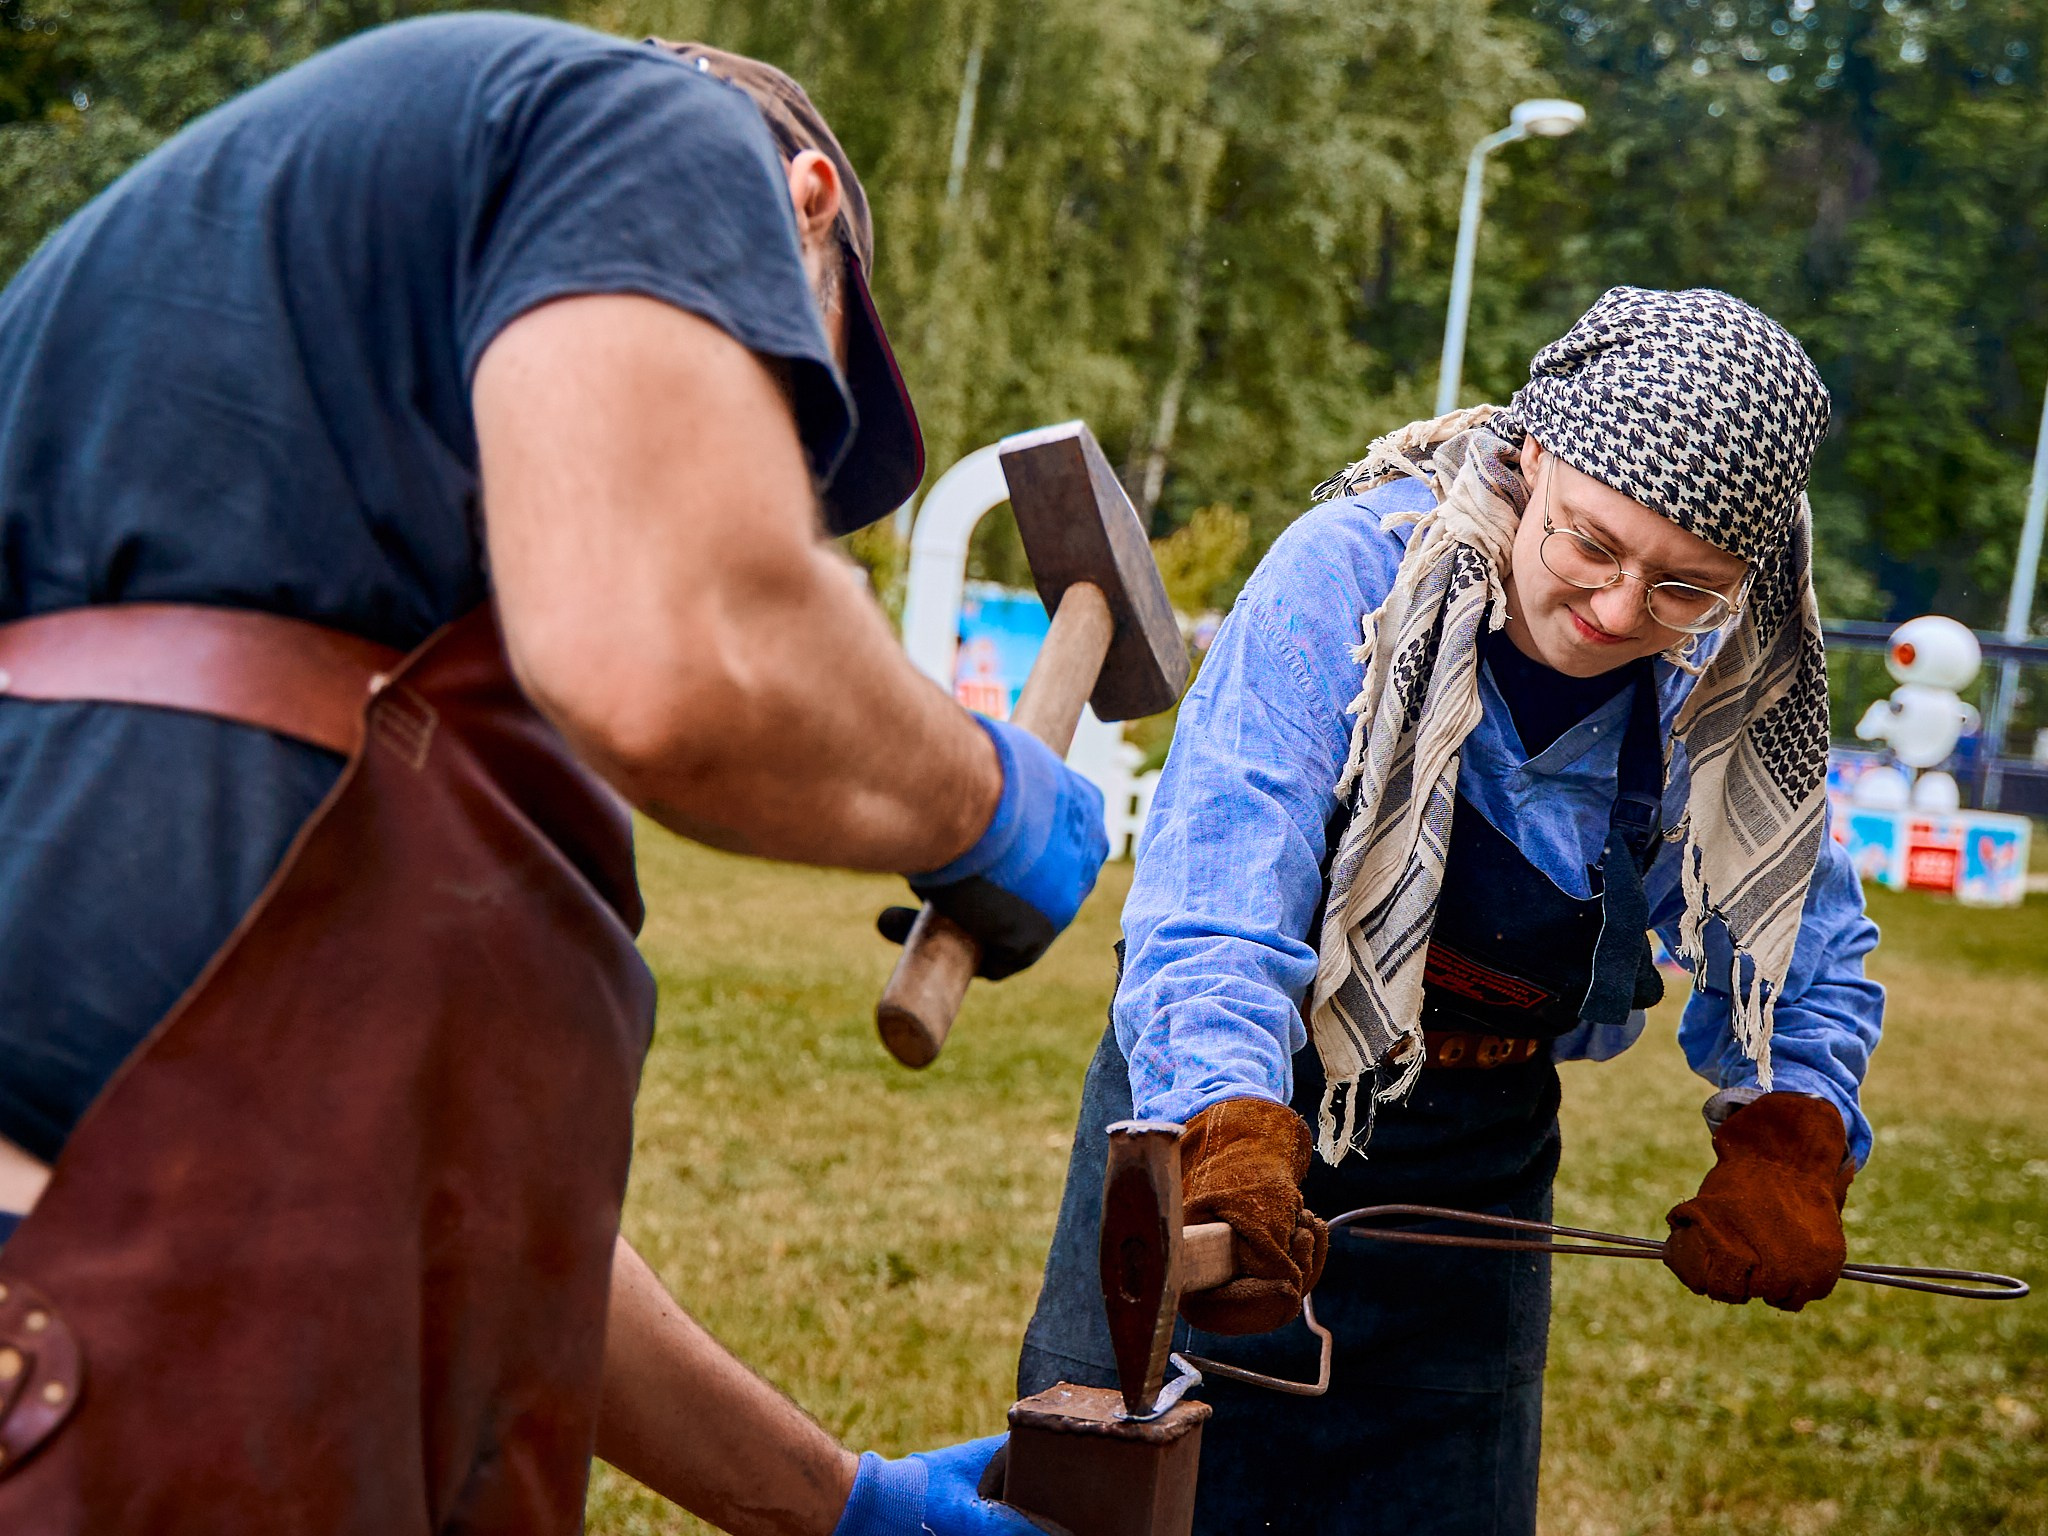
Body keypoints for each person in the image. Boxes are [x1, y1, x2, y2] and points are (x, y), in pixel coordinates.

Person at [0, 15, 1088, 1534]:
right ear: (808, 206)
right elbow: (682, 643)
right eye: (778, 399)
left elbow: (481, 1234)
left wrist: (839, 1508)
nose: (764, 469)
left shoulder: (170, 338)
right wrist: (992, 798)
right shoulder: (660, 129)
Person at [1017, 288, 1884, 1534]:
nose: (1615, 613)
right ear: (1535, 457)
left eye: (1682, 586)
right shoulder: (1352, 577)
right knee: (1110, 1500)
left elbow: (1802, 940)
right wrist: (1225, 1133)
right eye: (1590, 544)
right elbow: (1216, 889)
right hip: (1221, 1120)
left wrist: (1790, 1130)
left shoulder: (1723, 676)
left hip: (1473, 1172)